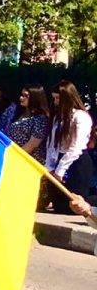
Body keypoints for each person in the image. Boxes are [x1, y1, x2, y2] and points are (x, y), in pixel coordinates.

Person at [46, 81, 93, 215]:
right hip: (59, 159)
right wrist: (50, 166)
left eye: (58, 99)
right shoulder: (58, 118)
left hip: (76, 162)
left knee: (75, 203)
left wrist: (60, 170)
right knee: (59, 205)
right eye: (54, 98)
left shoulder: (80, 117)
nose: (56, 102)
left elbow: (76, 147)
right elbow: (52, 144)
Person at [8, 85, 52, 157]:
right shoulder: (19, 113)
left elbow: (33, 145)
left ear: (34, 98)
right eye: (22, 95)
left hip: (27, 160)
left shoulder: (41, 119)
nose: (21, 98)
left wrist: (14, 156)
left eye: (25, 96)